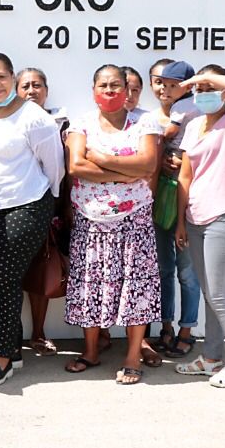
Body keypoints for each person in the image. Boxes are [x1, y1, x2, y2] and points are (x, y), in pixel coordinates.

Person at [62, 64, 163, 385]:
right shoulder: (81, 123)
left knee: (136, 285)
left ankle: (132, 357)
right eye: (103, 85)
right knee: (91, 285)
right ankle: (91, 351)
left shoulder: (145, 121)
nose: (110, 91)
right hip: (90, 220)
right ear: (94, 91)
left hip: (134, 220)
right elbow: (77, 166)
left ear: (127, 89)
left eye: (116, 85)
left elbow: (148, 163)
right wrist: (126, 173)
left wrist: (102, 159)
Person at [0, 53, 64, 386]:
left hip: (27, 205)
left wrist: (45, 205)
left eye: (1, 77)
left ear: (12, 78)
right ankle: (12, 348)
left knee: (7, 278)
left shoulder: (35, 118)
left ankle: (3, 356)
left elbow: (55, 168)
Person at [172, 65, 225, 389]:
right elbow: (185, 176)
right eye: (199, 90)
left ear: (222, 91)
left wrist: (202, 79)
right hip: (194, 219)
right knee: (209, 294)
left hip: (223, 217)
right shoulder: (192, 126)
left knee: (220, 295)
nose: (203, 94)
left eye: (209, 88)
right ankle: (211, 358)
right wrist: (180, 221)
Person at [148, 59, 202, 357]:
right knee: (163, 270)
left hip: (189, 200)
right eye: (161, 82)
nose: (165, 89)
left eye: (172, 84)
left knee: (187, 272)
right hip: (159, 200)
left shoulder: (194, 110)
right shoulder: (144, 117)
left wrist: (176, 158)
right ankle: (165, 327)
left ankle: (187, 329)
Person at [16, 66, 69, 356]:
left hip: (50, 206)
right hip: (10, 208)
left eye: (37, 85)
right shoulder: (6, 122)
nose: (31, 91)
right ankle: (7, 335)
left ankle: (38, 332)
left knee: (42, 268)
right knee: (7, 273)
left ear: (46, 91)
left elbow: (65, 169)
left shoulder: (62, 125)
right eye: (24, 86)